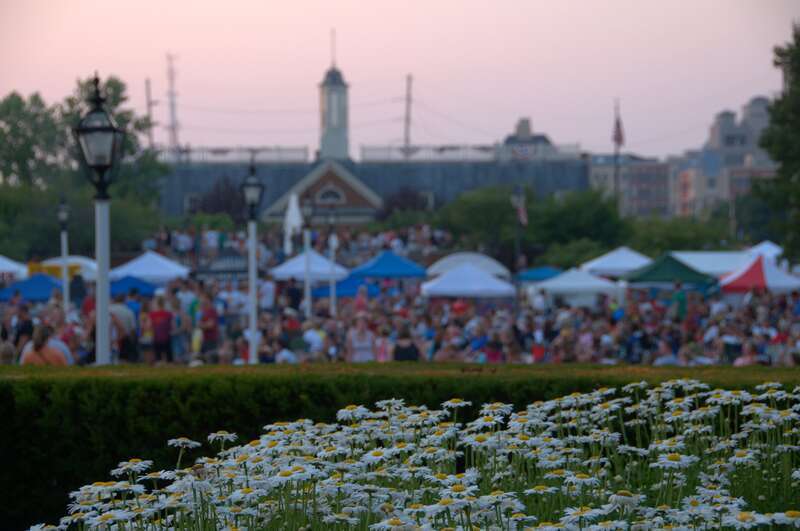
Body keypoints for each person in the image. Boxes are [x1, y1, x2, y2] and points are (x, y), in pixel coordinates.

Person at [149, 296, 173, 364]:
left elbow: (149, 326)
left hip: (156, 337)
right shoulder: (168, 314)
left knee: (158, 358)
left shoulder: (152, 314)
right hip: (167, 337)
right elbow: (172, 326)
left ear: (156, 304)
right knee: (169, 358)